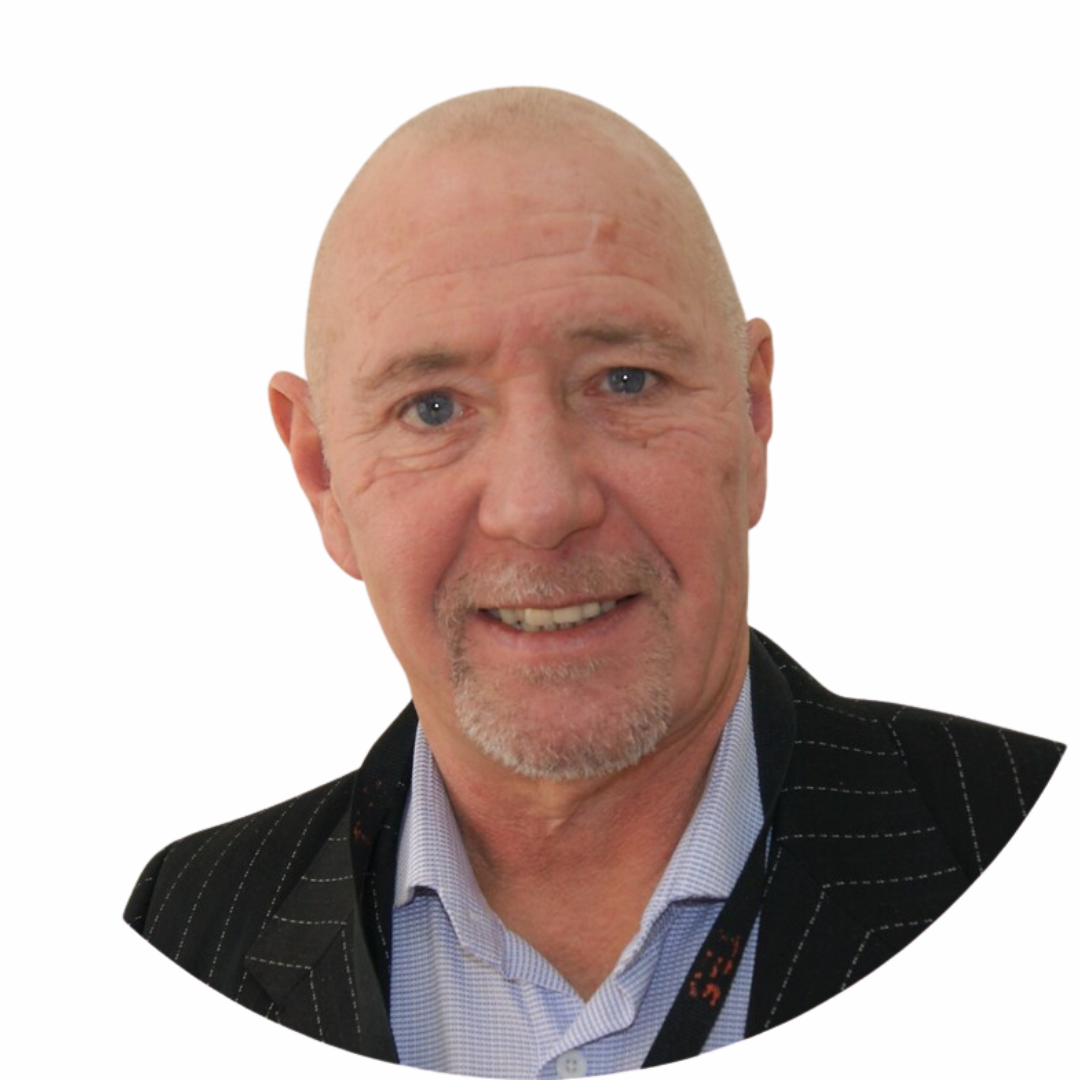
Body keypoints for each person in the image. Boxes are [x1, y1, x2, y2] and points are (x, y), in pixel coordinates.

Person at [124, 87, 1063, 1076]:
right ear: (322, 475)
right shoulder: (180, 935)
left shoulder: (1035, 848)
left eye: (625, 380)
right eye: (433, 407)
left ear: (752, 416)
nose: (539, 506)